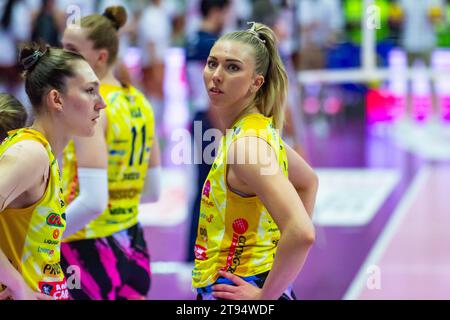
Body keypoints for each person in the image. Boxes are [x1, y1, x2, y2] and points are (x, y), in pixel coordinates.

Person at [192, 22, 318, 300]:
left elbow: (301, 231)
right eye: (212, 64)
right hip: (250, 280)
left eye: (232, 67)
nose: (216, 75)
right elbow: (308, 181)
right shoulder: (253, 129)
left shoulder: (246, 146)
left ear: (256, 82)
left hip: (236, 287)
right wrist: (278, 274)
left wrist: (264, 296)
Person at [60, 5, 161, 300]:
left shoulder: (90, 106)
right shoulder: (140, 101)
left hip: (87, 249)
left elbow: (93, 201)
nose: (62, 56)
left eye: (72, 50)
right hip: (133, 244)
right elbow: (153, 190)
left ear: (100, 57)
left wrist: (43, 235)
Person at [0, 43, 105, 300]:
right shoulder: (30, 153)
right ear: (56, 99)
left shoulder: (46, 154)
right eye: (90, 91)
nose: (101, 104)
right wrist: (18, 287)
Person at [185, 0, 230, 262]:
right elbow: (211, 93)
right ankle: (201, 249)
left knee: (203, 184)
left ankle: (196, 248)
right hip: (211, 120)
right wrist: (225, 130)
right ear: (217, 11)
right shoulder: (210, 44)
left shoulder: (192, 40)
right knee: (211, 186)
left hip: (200, 118)